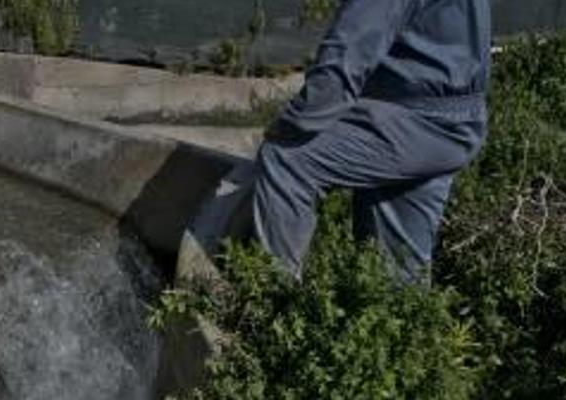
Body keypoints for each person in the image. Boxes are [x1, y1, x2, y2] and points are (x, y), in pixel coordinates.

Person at [192, 0, 492, 282]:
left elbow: (343, 63)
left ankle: (270, 302)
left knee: (288, 158)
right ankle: (398, 325)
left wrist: (289, 126)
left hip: (414, 116)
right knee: (394, 278)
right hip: (457, 120)